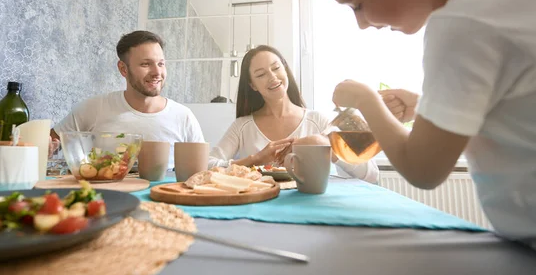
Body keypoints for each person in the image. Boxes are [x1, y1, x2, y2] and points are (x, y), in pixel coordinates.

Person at [302, 0, 536, 241]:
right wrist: (428, 105)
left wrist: (367, 100)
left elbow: (423, 169)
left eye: (358, 4)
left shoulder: (459, 22)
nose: (362, 24)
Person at [208, 45, 379, 183]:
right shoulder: (242, 126)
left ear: (285, 69)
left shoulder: (317, 120)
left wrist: (325, 147)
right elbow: (208, 165)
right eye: (261, 74)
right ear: (252, 85)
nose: (272, 77)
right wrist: (256, 158)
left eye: (276, 68)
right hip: (259, 207)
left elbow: (371, 174)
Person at [52, 30, 205, 167]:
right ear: (123, 69)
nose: (157, 72)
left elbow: (201, 170)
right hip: (109, 195)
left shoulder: (184, 116)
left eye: (161, 63)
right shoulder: (95, 108)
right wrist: (44, 147)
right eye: (146, 64)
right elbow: (50, 143)